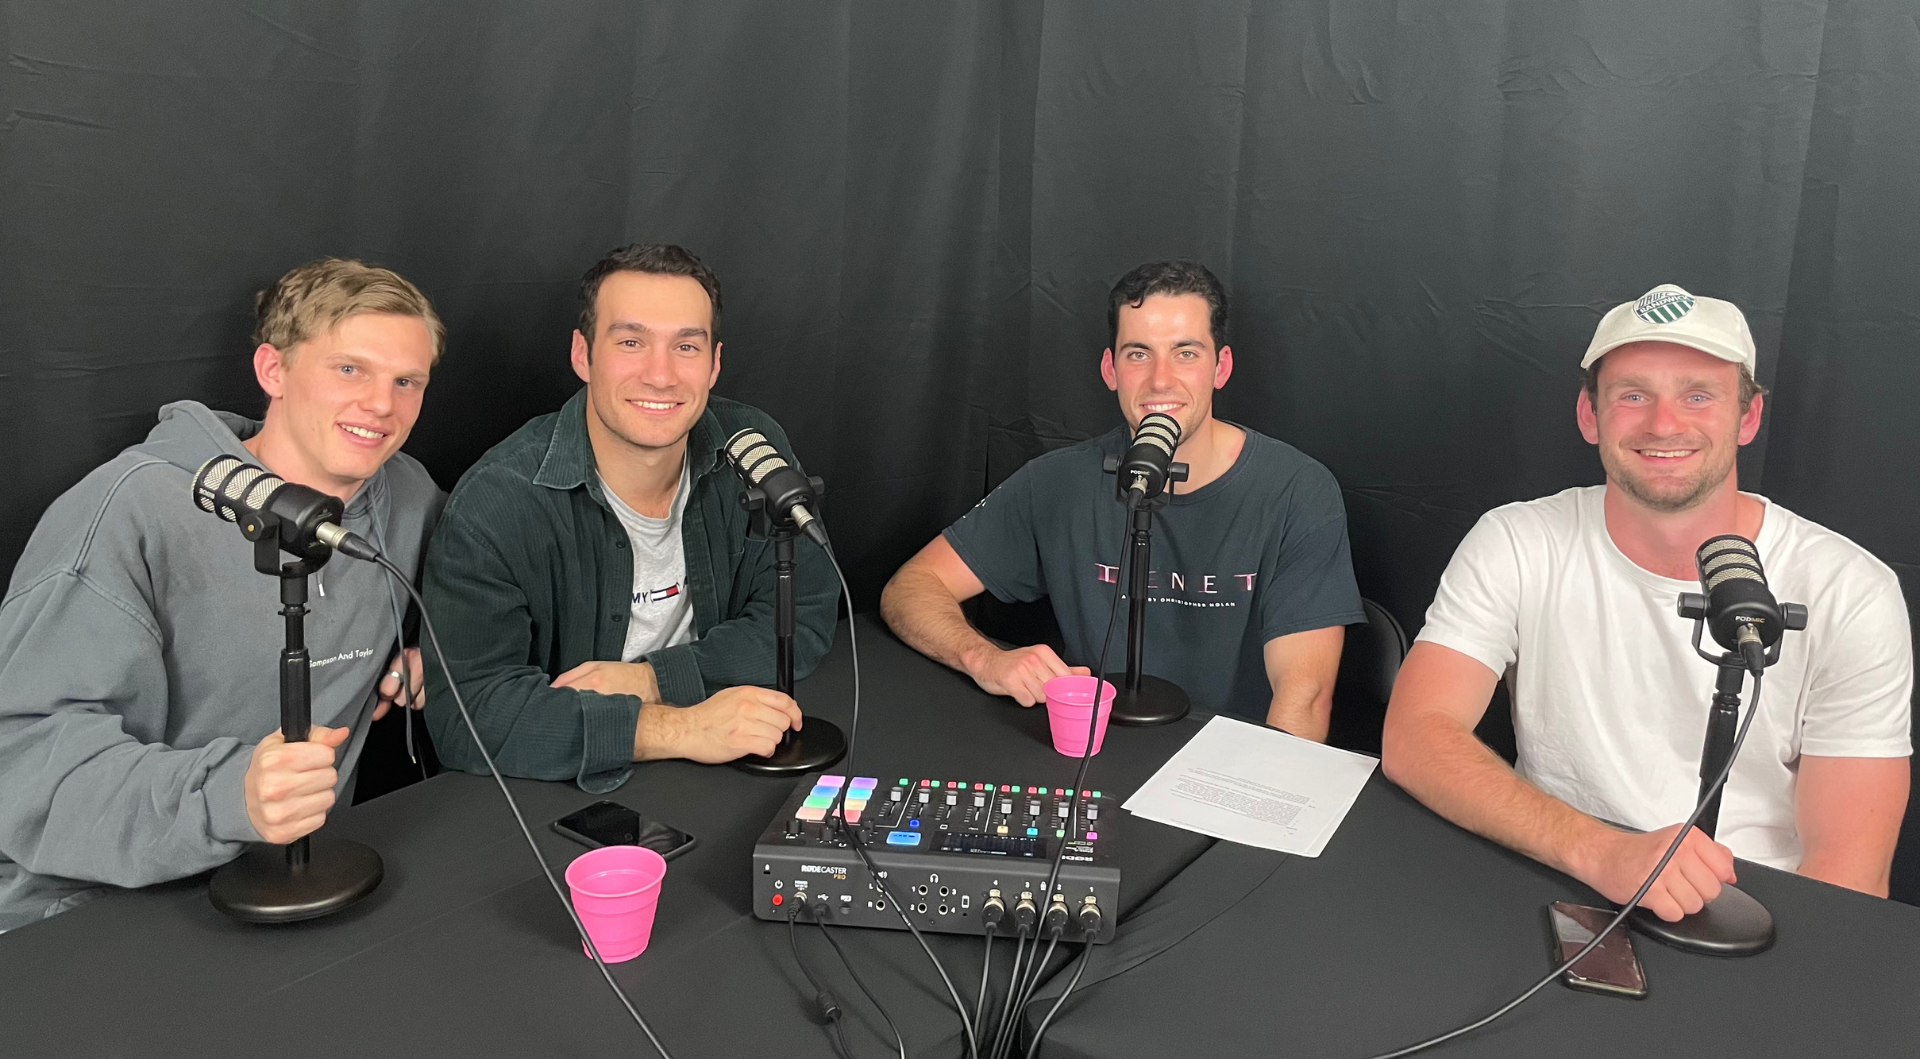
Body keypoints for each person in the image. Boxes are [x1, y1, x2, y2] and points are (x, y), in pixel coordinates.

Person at [1382, 284, 1912, 922]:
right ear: (1590, 415)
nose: (1664, 424)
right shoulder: (1518, 541)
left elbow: (1849, 873)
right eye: (1633, 395)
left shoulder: (1850, 590)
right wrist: (1600, 852)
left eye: (1697, 395)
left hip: (1758, 918)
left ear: (1747, 418)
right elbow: (1416, 736)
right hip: (1553, 878)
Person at [0, 259, 445, 931]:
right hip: (92, 909)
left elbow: (480, 592)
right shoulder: (130, 512)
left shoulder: (408, 498)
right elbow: (23, 769)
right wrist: (227, 796)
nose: (381, 404)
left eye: (406, 380)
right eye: (349, 369)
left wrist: (436, 655)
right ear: (274, 371)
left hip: (297, 888)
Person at [880, 260, 1364, 738]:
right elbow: (912, 587)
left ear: (1222, 367)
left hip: (1228, 771)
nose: (1159, 379)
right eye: (1138, 354)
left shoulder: (1297, 489)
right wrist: (984, 658)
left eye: (1186, 353)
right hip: (1093, 756)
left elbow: (1304, 698)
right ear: (1110, 369)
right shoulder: (1057, 481)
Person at [422, 244, 834, 792]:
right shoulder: (497, 502)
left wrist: (653, 681)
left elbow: (801, 614)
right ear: (582, 354)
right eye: (631, 342)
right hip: (560, 793)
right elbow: (468, 717)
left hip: (734, 760)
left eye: (685, 346)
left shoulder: (751, 447)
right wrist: (679, 727)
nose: (660, 375)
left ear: (714, 363)